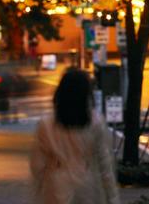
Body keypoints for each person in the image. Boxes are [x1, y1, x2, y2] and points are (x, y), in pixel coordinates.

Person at [30, 68, 118, 204]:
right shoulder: (95, 122)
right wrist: (112, 197)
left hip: (57, 185)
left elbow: (37, 165)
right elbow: (105, 164)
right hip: (86, 185)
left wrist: (39, 189)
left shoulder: (46, 124)